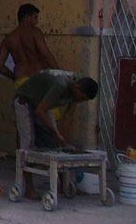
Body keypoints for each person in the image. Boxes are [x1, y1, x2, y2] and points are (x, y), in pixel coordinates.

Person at [13, 70, 98, 199]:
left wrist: (63, 142)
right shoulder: (60, 85)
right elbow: (40, 111)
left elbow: (68, 116)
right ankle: (29, 189)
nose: (78, 101)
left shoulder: (79, 83)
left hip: (42, 104)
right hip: (25, 102)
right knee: (27, 145)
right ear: (77, 88)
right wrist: (56, 134)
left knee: (56, 147)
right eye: (80, 99)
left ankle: (64, 186)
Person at [0, 3, 59, 86]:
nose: (37, 21)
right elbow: (46, 55)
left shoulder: (8, 39)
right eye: (35, 17)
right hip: (38, 78)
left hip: (21, 80)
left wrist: (14, 77)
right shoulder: (36, 33)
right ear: (26, 18)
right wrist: (59, 72)